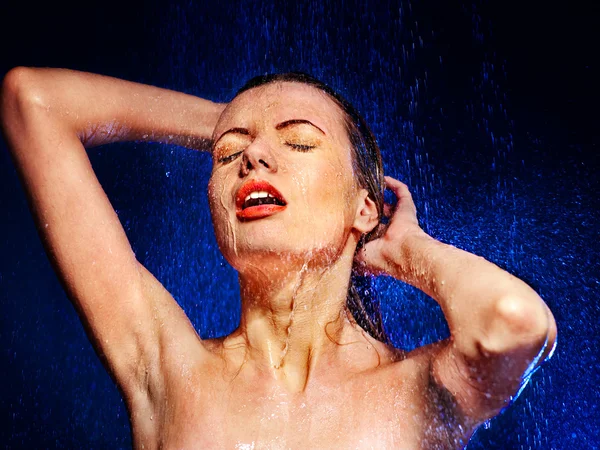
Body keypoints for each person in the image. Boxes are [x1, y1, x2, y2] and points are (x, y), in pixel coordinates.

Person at [0, 67, 557, 449]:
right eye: (229, 154)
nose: (255, 157)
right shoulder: (169, 369)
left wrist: (409, 251)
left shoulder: (420, 391)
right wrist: (225, 120)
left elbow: (513, 323)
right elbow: (34, 101)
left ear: (365, 208)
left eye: (299, 142)